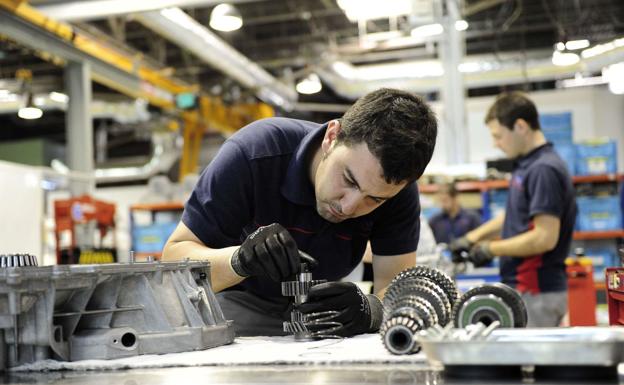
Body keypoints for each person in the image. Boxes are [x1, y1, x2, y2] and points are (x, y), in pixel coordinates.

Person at [162, 88, 438, 337]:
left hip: (318, 321)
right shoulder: (253, 154)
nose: (349, 207)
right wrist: (240, 261)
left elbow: (395, 285)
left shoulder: (397, 192)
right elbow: (174, 263)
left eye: (374, 199)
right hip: (231, 314)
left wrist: (371, 309)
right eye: (349, 181)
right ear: (332, 137)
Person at [450, 91, 576, 327]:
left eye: (498, 136)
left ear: (520, 126)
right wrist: (471, 238)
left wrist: (490, 249)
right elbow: (514, 214)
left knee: (529, 363)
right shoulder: (527, 165)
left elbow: (545, 238)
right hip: (524, 289)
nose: (495, 144)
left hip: (536, 291)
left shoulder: (543, 169)